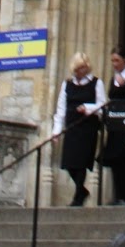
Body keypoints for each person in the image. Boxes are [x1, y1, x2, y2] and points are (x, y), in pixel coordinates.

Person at [52, 52, 105, 206]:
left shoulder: (96, 83)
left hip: (87, 129)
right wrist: (56, 131)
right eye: (77, 69)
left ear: (87, 67)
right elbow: (61, 109)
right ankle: (81, 190)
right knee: (69, 164)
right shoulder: (67, 84)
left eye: (82, 68)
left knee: (81, 163)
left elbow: (102, 106)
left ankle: (78, 197)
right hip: (72, 128)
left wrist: (87, 108)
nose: (80, 72)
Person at [99, 47, 125, 205]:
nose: (114, 64)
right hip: (116, 125)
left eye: (117, 60)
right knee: (115, 160)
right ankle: (119, 195)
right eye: (112, 61)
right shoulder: (114, 78)